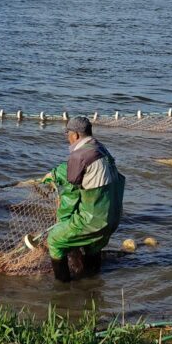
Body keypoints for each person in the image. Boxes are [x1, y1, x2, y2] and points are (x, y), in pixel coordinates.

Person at [45, 116, 125, 283]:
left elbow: (70, 195)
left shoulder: (79, 156)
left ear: (75, 135)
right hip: (113, 219)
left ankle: (63, 287)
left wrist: (63, 222)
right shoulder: (101, 149)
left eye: (68, 134)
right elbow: (80, 171)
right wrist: (56, 173)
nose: (67, 138)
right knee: (92, 245)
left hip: (93, 221)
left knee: (54, 240)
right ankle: (92, 281)